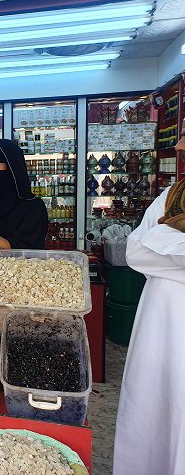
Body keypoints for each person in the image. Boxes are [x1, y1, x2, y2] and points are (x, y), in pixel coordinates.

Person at [113, 136, 185, 475]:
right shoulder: (172, 195)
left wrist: (159, 238)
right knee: (153, 413)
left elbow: (148, 247)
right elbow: (134, 253)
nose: (180, 148)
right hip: (158, 327)